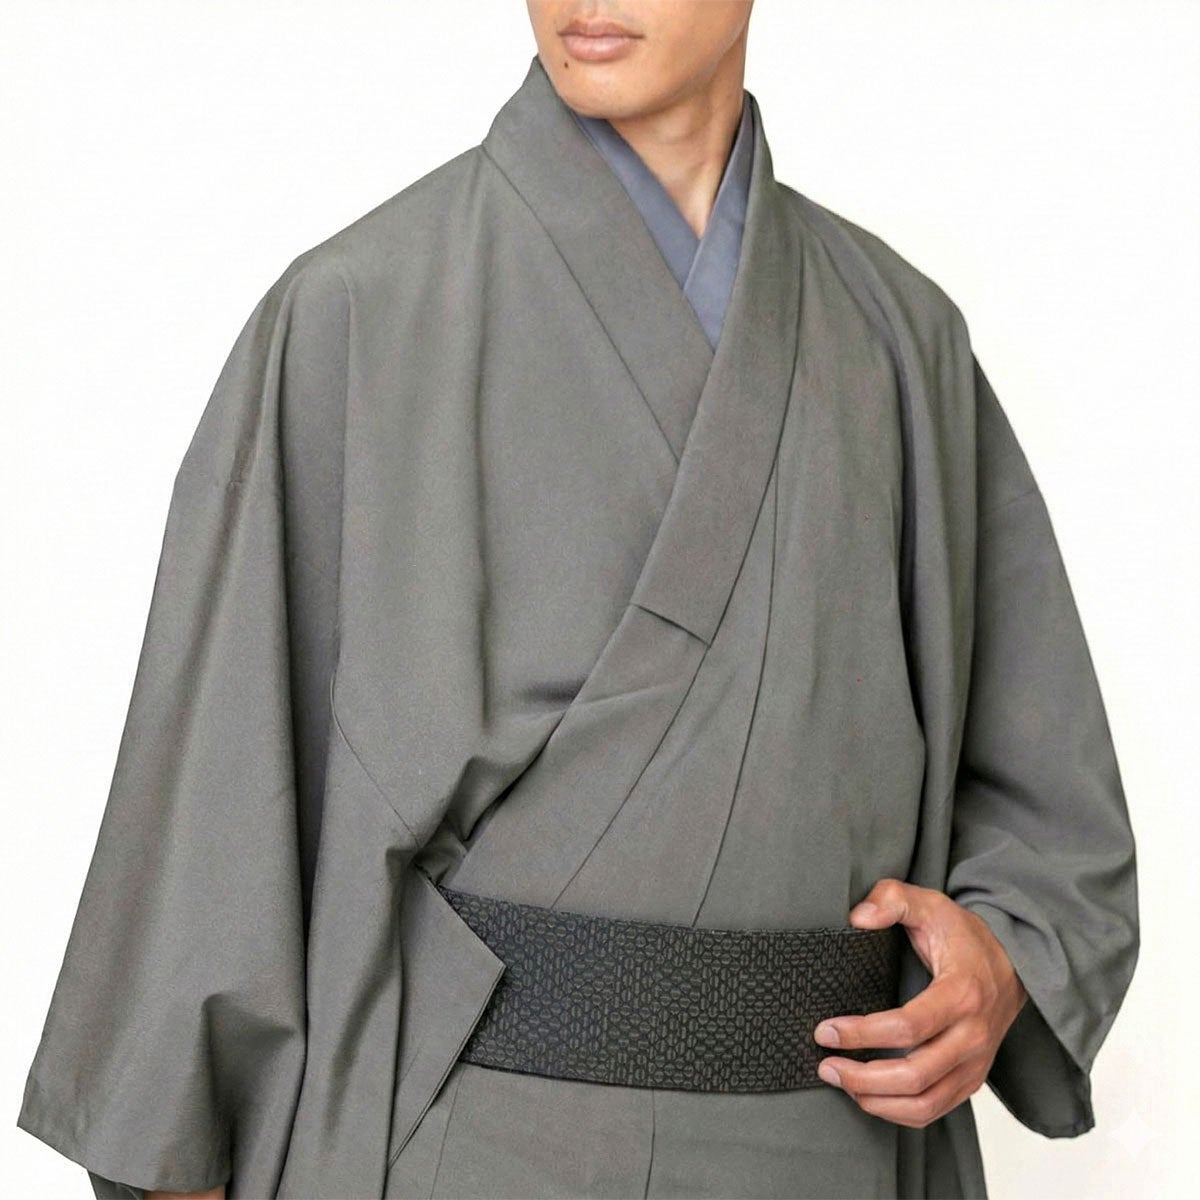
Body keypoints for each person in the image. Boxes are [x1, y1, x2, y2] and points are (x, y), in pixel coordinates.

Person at [16, 2, 1139, 1198]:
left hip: (836, 1148)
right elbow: (213, 816)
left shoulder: (899, 338)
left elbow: (1047, 808)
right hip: (465, 1147)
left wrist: (1001, 962)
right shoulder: (357, 309)